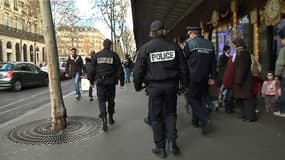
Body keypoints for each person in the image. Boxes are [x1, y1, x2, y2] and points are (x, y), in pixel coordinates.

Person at [133, 20, 188, 158]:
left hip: (154, 88)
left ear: (151, 33)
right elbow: (184, 69)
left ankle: (160, 147)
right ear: (164, 31)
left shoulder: (145, 49)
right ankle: (173, 143)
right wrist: (184, 85)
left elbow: (138, 71)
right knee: (170, 114)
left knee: (156, 118)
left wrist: (138, 86)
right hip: (171, 86)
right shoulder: (174, 47)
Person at [183, 26, 216, 134]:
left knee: (191, 97)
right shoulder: (210, 44)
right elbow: (213, 63)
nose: (189, 36)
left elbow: (183, 61)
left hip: (193, 77)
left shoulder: (190, 44)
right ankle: (195, 121)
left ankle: (204, 119)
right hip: (205, 77)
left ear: (193, 34)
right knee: (201, 99)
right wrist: (212, 77)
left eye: (189, 34)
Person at [90, 39, 124, 132]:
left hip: (100, 82)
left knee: (101, 101)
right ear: (110, 45)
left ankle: (104, 119)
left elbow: (91, 70)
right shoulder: (114, 55)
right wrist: (122, 82)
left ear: (103, 45)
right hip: (111, 82)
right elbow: (119, 69)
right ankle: (111, 118)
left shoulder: (97, 56)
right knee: (111, 100)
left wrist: (91, 81)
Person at [232, 38, 256, 122]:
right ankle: (246, 115)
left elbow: (242, 68)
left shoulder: (242, 53)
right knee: (244, 99)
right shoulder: (242, 53)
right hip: (245, 80)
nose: (233, 46)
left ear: (237, 45)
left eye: (234, 44)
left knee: (247, 99)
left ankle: (250, 116)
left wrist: (238, 80)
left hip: (244, 81)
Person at [274, 26, 285, 117]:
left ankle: (283, 111)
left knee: (283, 93)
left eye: (282, 39)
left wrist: (277, 74)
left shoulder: (283, 50)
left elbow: (280, 64)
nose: (281, 41)